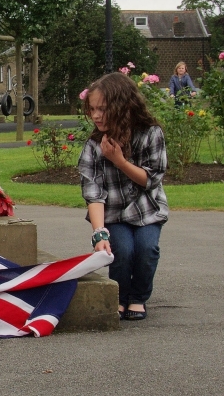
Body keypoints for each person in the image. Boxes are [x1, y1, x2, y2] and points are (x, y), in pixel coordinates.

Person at [78, 72, 168, 322]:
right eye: (92, 109)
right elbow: (93, 192)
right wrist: (99, 233)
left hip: (146, 210)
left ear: (122, 106)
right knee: (123, 251)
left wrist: (119, 161)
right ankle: (120, 296)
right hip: (114, 213)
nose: (95, 115)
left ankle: (138, 297)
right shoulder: (93, 145)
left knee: (146, 249)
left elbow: (151, 179)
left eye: (103, 109)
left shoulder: (151, 133)